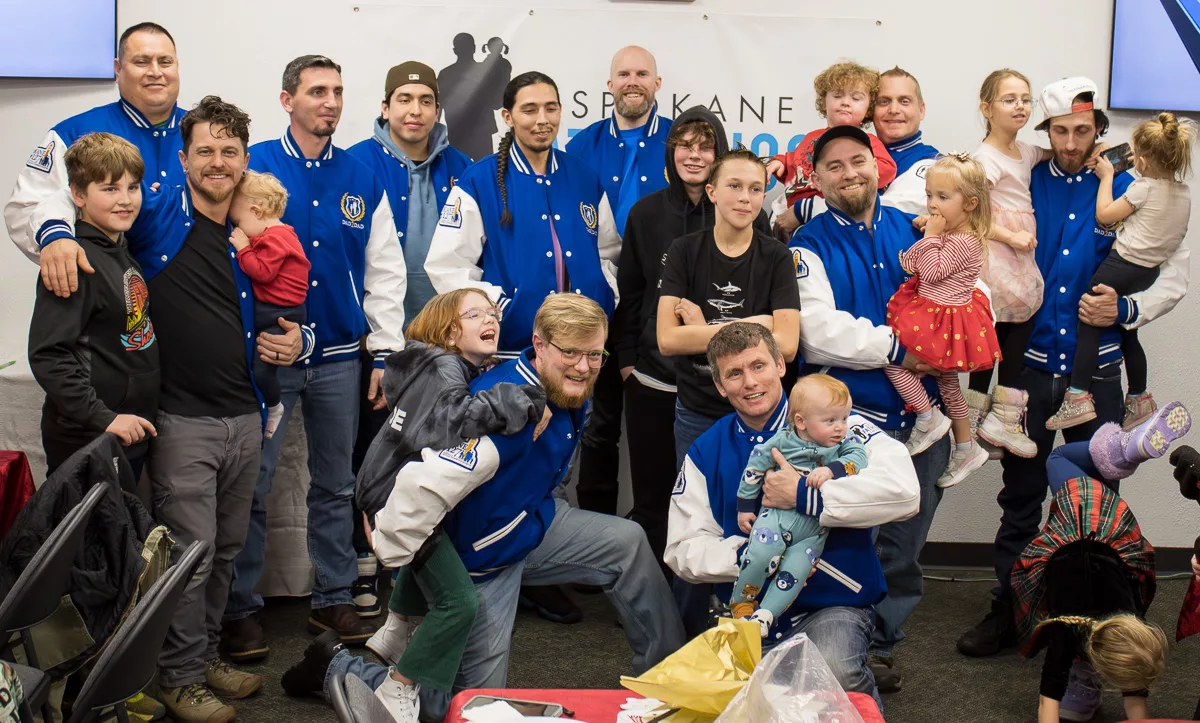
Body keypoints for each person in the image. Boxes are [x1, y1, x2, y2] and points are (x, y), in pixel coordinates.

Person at [282, 295, 685, 722]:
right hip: (479, 562)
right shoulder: (500, 413)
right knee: (465, 708)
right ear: (540, 345)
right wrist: (387, 527)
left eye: (593, 354)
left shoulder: (567, 386)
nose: (584, 367)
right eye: (570, 352)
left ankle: (673, 684)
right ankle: (338, 666)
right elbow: (421, 480)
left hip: (532, 524)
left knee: (629, 542)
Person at [957, 76, 1190, 660]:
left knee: (1096, 498)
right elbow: (969, 179)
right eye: (1059, 131)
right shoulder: (1025, 175)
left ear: (1099, 131)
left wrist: (1128, 306)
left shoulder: (1139, 184)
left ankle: (1097, 623)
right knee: (1021, 496)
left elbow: (1177, 272)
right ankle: (1010, 608)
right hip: (1032, 371)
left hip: (1101, 370)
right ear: (1046, 132)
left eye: (1082, 131)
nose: (1070, 142)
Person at [121, 95, 306, 722]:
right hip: (183, 421)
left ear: (245, 158)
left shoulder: (257, 234)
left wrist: (297, 338)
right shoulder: (160, 225)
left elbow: (301, 305)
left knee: (226, 551)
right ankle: (174, 676)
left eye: (230, 151)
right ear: (184, 157)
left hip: (247, 418)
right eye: (205, 150)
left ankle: (198, 662)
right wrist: (57, 237)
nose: (218, 160)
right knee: (188, 556)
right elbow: (98, 209)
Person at [222, 54, 408, 660]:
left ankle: (331, 596)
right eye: (316, 91)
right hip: (269, 359)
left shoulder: (362, 172)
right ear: (286, 100)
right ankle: (241, 610)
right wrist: (249, 338)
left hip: (336, 358)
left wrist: (383, 353)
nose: (329, 102)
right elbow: (227, 259)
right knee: (254, 483)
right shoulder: (254, 169)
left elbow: (385, 269)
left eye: (337, 91)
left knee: (334, 483)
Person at [426, 70, 620, 623]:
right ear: (507, 117)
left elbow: (608, 251)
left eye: (551, 108)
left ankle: (542, 564)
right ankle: (505, 566)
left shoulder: (583, 177)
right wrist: (495, 310)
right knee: (516, 464)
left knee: (562, 458)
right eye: (529, 109)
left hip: (578, 355)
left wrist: (602, 298)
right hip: (517, 358)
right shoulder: (480, 179)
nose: (542, 119)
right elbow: (447, 266)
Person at [666, 322, 919, 709]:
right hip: (746, 607)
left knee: (835, 671)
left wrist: (807, 496)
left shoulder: (838, 422)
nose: (750, 382)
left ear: (781, 366)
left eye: (758, 366)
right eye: (735, 373)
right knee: (721, 703)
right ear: (720, 386)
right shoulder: (706, 450)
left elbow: (905, 492)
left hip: (831, 603)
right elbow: (682, 548)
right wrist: (750, 557)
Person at [332, 289, 549, 721]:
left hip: (382, 485)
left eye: (493, 313)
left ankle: (394, 631)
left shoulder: (427, 361)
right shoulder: (446, 367)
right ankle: (398, 688)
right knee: (458, 602)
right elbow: (460, 417)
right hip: (394, 496)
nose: (491, 319)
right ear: (451, 331)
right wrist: (525, 398)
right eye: (476, 314)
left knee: (429, 546)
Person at [789, 124, 950, 692]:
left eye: (859, 160)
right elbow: (817, 334)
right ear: (816, 179)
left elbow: (963, 288)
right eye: (834, 166)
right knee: (849, 542)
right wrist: (906, 346)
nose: (849, 172)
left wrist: (955, 334)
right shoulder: (805, 246)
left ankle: (879, 643)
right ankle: (839, 644)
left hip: (925, 417)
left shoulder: (916, 230)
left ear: (877, 164)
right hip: (850, 427)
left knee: (905, 550)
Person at [614, 106, 768, 572]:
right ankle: (648, 595)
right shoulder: (645, 213)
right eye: (685, 144)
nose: (695, 155)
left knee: (713, 499)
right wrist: (627, 360)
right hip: (654, 382)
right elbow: (631, 294)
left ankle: (702, 594)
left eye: (705, 146)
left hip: (717, 391)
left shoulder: (745, 215)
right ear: (670, 151)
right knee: (654, 498)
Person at [347, 60, 472, 615]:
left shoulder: (465, 168)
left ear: (438, 109)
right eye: (403, 99)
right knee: (377, 453)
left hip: (445, 343)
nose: (414, 110)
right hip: (379, 340)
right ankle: (365, 565)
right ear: (385, 106)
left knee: (441, 453)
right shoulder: (355, 164)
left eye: (424, 100)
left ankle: (429, 571)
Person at [1010, 402, 1191, 721]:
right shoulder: (1065, 631)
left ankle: (1123, 450)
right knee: (1059, 458)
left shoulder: (1131, 625)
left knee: (1075, 464)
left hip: (1108, 530)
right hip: (1087, 521)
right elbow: (1048, 701)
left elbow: (1054, 698)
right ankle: (1124, 447)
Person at [565, 45, 671, 520]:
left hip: (661, 301)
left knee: (666, 421)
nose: (632, 81)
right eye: (623, 74)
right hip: (601, 301)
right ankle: (598, 534)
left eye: (642, 74)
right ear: (609, 85)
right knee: (598, 424)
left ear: (657, 84)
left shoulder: (678, 141)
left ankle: (665, 534)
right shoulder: (581, 146)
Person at [6, 22, 185, 298]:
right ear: (117, 69)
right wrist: (56, 237)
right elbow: (26, 208)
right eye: (141, 61)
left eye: (165, 61)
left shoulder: (206, 137)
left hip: (191, 309)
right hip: (106, 304)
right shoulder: (74, 133)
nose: (155, 72)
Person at [1046, 113, 1195, 430]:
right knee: (1129, 331)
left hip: (1121, 265)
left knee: (1088, 318)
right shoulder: (1184, 192)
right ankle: (1139, 397)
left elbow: (1104, 216)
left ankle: (1077, 396)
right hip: (1146, 273)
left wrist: (1106, 177)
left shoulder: (1142, 189)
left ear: (1142, 158)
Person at [657, 148, 800, 465]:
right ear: (712, 192)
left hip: (762, 412)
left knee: (764, 509)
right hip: (697, 411)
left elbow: (788, 347)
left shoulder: (777, 257)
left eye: (755, 188)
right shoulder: (684, 251)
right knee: (697, 507)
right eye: (734, 186)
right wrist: (759, 326)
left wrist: (698, 332)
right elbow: (667, 340)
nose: (745, 198)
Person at [28, 132, 158, 479]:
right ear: (78, 195)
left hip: (127, 431)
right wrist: (105, 418)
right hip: (90, 437)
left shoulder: (120, 250)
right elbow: (49, 355)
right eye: (110, 189)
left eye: (133, 187)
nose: (126, 200)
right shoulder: (75, 260)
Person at [883, 154, 999, 487]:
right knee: (948, 385)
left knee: (892, 362)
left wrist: (931, 236)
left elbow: (931, 270)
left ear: (970, 204)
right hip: (939, 315)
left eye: (943, 198)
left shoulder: (965, 241)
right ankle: (966, 447)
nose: (933, 204)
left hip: (941, 321)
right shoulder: (954, 233)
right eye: (930, 195)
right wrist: (932, 230)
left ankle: (927, 417)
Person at [730, 374, 868, 637]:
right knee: (759, 554)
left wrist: (831, 470)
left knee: (794, 574)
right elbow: (755, 466)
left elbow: (859, 458)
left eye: (843, 419)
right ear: (801, 421)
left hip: (812, 532)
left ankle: (765, 615)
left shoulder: (841, 446)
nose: (840, 427)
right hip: (776, 517)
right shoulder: (783, 441)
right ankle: (742, 604)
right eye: (830, 421)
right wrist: (745, 505)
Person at [966, 69, 1052, 460]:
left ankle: (1001, 420)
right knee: (990, 346)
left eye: (1025, 99)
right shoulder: (985, 159)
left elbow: (1049, 154)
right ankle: (971, 425)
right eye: (1009, 99)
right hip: (996, 263)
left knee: (1012, 341)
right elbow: (970, 212)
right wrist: (1011, 236)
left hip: (1018, 265)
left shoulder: (1025, 151)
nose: (1020, 106)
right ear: (986, 108)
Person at [768, 61, 897, 236]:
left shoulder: (867, 142)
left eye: (856, 98)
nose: (845, 103)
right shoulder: (810, 137)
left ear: (868, 109)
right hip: (788, 221)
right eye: (837, 96)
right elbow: (797, 165)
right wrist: (780, 163)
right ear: (824, 102)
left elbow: (887, 168)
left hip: (832, 216)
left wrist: (842, 177)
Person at [227, 170, 310, 439]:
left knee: (262, 369)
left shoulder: (275, 238)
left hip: (281, 313)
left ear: (256, 211)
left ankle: (274, 407)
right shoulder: (280, 234)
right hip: (275, 309)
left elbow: (262, 272)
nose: (238, 229)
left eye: (238, 221)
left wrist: (243, 248)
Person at [873, 67, 940, 216]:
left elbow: (892, 213)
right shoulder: (855, 154)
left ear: (921, 110)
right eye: (884, 102)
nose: (894, 109)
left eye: (904, 101)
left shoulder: (937, 165)